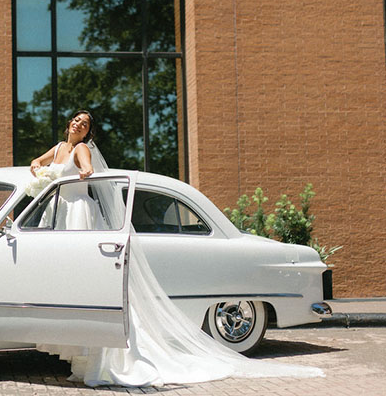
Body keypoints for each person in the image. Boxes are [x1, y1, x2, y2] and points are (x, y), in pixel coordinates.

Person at [27, 110, 325, 387]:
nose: (80, 124)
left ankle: (96, 350)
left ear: (88, 132)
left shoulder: (81, 150)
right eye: (76, 120)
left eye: (86, 123)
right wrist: (42, 172)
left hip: (78, 211)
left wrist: (78, 175)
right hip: (59, 211)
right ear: (68, 125)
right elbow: (36, 163)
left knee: (86, 281)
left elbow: (89, 170)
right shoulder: (59, 148)